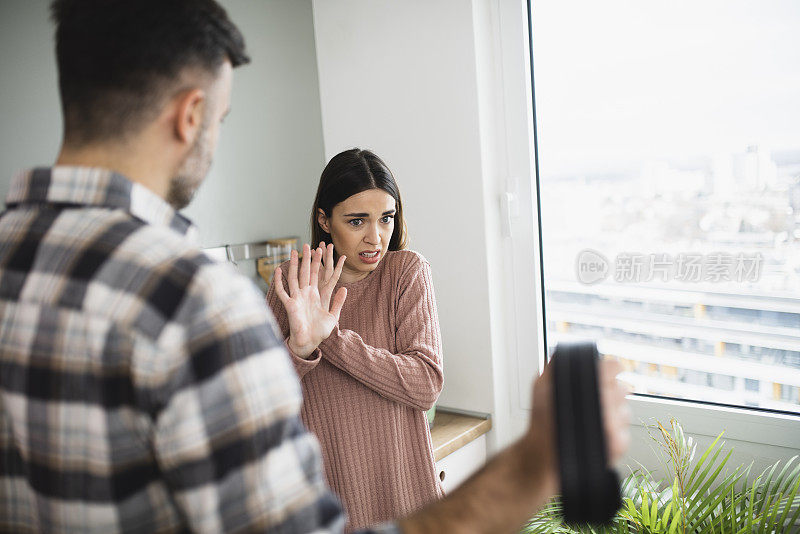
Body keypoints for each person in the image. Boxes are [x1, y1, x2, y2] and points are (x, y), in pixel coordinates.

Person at [0, 1, 631, 533]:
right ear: (190, 115)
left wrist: (316, 345)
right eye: (219, 119)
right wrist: (533, 465)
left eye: (385, 219)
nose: (375, 235)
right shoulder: (194, 302)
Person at [266, 149, 444, 530]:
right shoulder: (291, 282)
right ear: (324, 220)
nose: (376, 237)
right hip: (328, 505)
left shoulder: (406, 272)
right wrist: (299, 347)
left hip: (409, 501)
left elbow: (426, 384)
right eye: (357, 220)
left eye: (386, 218)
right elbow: (262, 402)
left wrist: (330, 337)